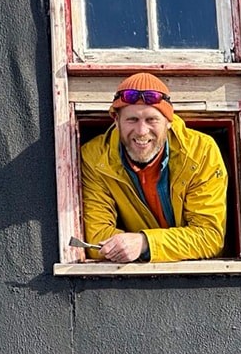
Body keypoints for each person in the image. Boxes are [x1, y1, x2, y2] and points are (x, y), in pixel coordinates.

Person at [79, 72, 228, 263]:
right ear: (116, 121)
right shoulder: (95, 158)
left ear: (168, 122)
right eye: (132, 119)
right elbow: (96, 238)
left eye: (152, 120)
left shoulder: (201, 151)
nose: (141, 131)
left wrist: (144, 243)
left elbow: (209, 238)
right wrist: (134, 245)